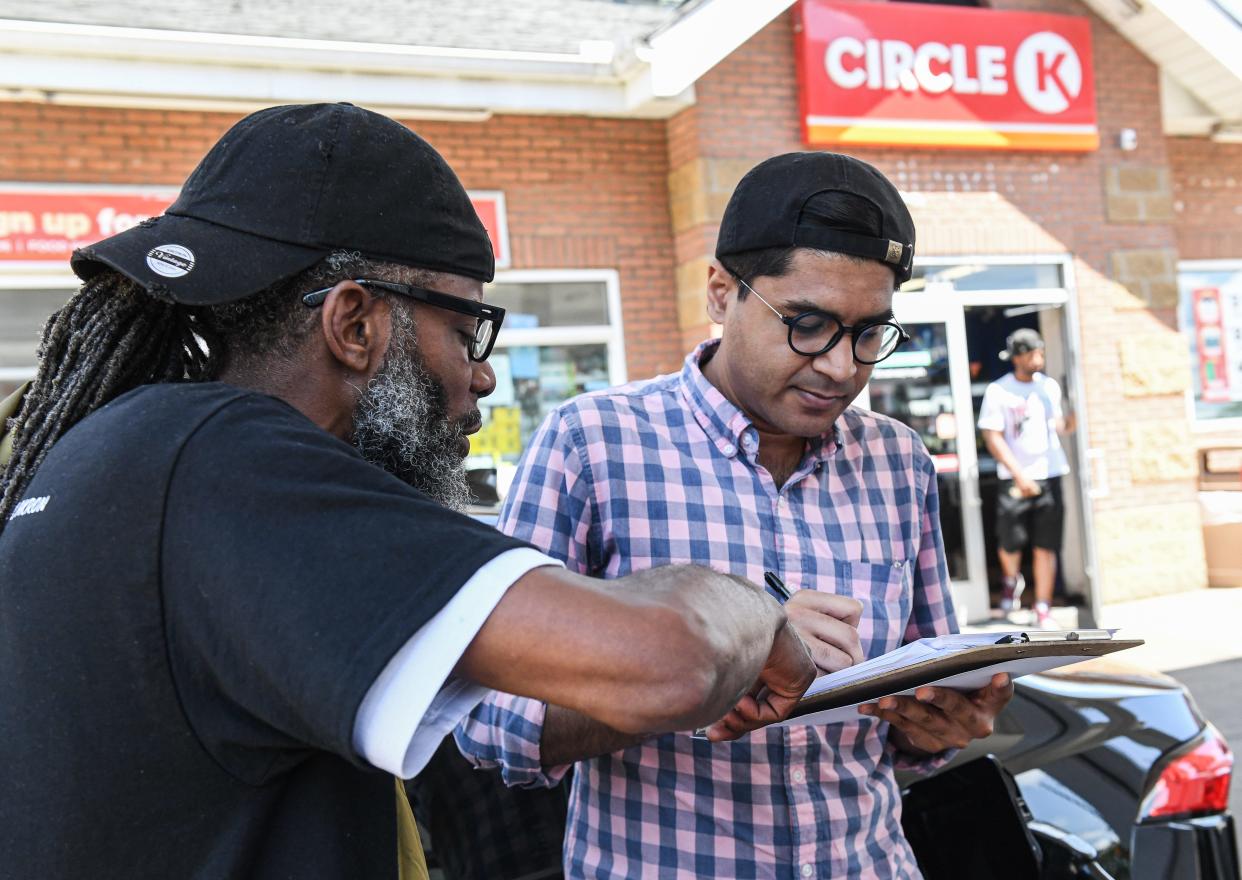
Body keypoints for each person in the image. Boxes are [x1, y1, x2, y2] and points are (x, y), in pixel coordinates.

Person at [0, 103, 817, 879]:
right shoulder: (235, 467)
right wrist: (758, 609)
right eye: (466, 332)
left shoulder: (105, 453)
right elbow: (665, 659)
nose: (486, 375)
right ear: (354, 324)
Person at [455, 152, 1015, 879]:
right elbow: (485, 720)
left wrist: (947, 723)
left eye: (870, 333)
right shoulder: (593, 446)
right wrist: (703, 674)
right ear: (721, 292)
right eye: (808, 324)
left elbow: (920, 689)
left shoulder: (898, 461)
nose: (842, 367)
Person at [977, 328, 1076, 629]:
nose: (1040, 359)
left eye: (1042, 353)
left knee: (1046, 544)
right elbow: (992, 436)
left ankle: (1042, 606)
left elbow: (1057, 426)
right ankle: (1010, 580)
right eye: (1034, 353)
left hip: (1050, 473)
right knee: (1011, 540)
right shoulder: (999, 391)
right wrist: (1019, 475)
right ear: (1019, 356)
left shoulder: (1048, 387)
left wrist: (1073, 416)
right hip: (1015, 477)